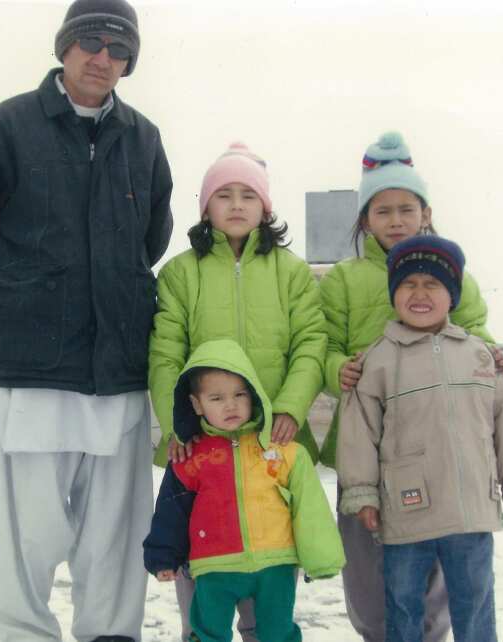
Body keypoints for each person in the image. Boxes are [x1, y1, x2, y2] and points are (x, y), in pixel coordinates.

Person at [0, 0, 173, 639]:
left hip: (117, 371)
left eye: (118, 49)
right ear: (64, 47)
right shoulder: (8, 127)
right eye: (90, 43)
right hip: (33, 370)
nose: (103, 58)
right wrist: (23, 297)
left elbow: (151, 236)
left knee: (114, 536)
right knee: (29, 536)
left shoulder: (144, 139)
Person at [318, 131, 503, 642]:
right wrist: (337, 367)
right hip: (365, 454)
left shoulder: (453, 272)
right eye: (382, 211)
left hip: (438, 452)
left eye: (406, 208)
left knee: (436, 569)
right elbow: (324, 343)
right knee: (365, 567)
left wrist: (492, 351)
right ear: (364, 220)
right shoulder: (343, 280)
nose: (396, 220)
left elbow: (475, 332)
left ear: (425, 212)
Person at [148, 142, 327, 640]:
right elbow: (166, 353)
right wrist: (177, 423)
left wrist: (289, 405)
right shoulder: (182, 273)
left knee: (270, 588)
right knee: (203, 590)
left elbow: (311, 343)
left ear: (265, 207)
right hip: (201, 442)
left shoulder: (291, 272)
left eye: (248, 194)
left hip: (270, 441)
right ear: (205, 207)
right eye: (223, 194)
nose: (236, 204)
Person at [337, 235, 503, 642]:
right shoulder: (376, 361)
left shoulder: (480, 355)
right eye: (408, 285)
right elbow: (358, 432)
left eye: (432, 284)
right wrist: (361, 493)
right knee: (402, 605)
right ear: (394, 294)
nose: (419, 294)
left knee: (475, 604)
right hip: (406, 514)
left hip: (470, 512)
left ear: (452, 295)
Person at [144, 339, 345, 642]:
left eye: (239, 394)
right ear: (197, 404)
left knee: (278, 633)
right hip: (214, 568)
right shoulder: (190, 458)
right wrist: (163, 557)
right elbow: (172, 510)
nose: (231, 405)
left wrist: (322, 557)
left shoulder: (280, 450)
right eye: (217, 397)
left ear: (253, 394)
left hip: (274, 565)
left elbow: (309, 506)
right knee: (208, 632)